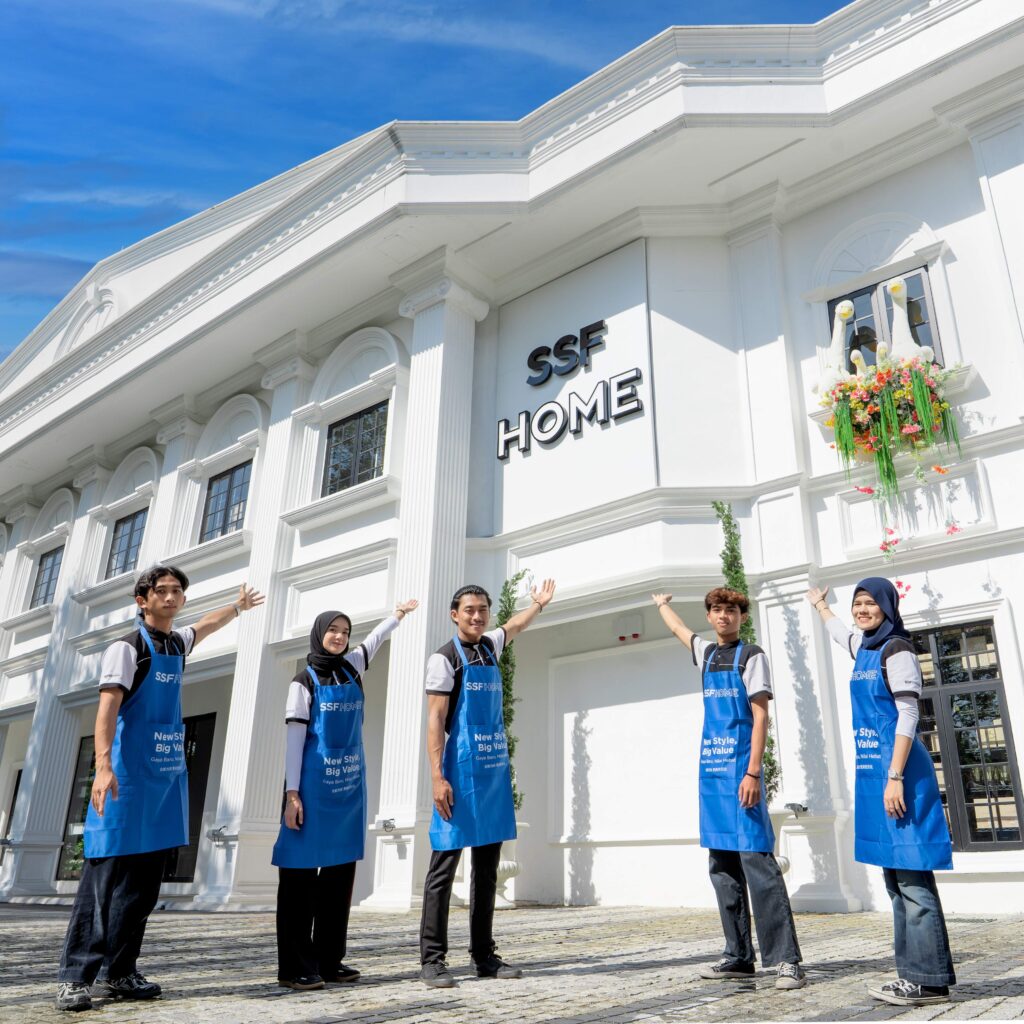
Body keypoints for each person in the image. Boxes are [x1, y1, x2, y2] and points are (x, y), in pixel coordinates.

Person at [56, 566, 264, 1012]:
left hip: (164, 780)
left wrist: (237, 607)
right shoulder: (127, 648)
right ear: (142, 600)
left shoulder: (176, 643)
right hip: (125, 781)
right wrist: (103, 767)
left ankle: (120, 972)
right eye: (161, 591)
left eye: (177, 591)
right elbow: (107, 708)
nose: (171, 597)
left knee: (143, 889)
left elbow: (205, 626)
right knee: (102, 884)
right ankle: (75, 978)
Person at [808, 577, 955, 1007]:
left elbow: (908, 714)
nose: (862, 610)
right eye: (858, 603)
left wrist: (895, 776)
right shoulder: (865, 648)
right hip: (878, 775)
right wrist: (821, 606)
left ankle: (930, 982)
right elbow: (841, 634)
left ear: (888, 607)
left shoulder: (897, 649)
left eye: (871, 602)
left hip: (901, 775)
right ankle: (913, 976)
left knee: (912, 877)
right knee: (895, 880)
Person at [652, 588, 806, 990]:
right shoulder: (705, 653)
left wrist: (753, 772)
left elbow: (761, 716)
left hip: (741, 773)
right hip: (712, 776)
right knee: (721, 867)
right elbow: (680, 631)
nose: (724, 616)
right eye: (717, 610)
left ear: (742, 617)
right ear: (709, 616)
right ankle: (738, 956)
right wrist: (663, 605)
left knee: (758, 864)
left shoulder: (751, 656)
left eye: (732, 610)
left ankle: (786, 960)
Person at [271, 600, 418, 990]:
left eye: (345, 631)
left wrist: (397, 615)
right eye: (333, 630)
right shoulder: (302, 682)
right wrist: (291, 794)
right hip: (310, 791)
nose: (340, 637)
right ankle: (295, 967)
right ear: (320, 634)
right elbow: (294, 741)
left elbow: (376, 640)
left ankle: (329, 960)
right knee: (300, 882)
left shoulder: (352, 667)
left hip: (348, 791)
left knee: (338, 882)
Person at [418, 578, 556, 988]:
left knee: (487, 870)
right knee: (444, 867)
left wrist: (538, 605)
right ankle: (432, 960)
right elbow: (435, 720)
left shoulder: (491, 646)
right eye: (470, 610)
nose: (477, 616)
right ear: (454, 615)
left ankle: (483, 956)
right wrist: (437, 777)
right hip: (459, 774)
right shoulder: (444, 659)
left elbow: (515, 626)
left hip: (492, 772)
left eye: (483, 610)